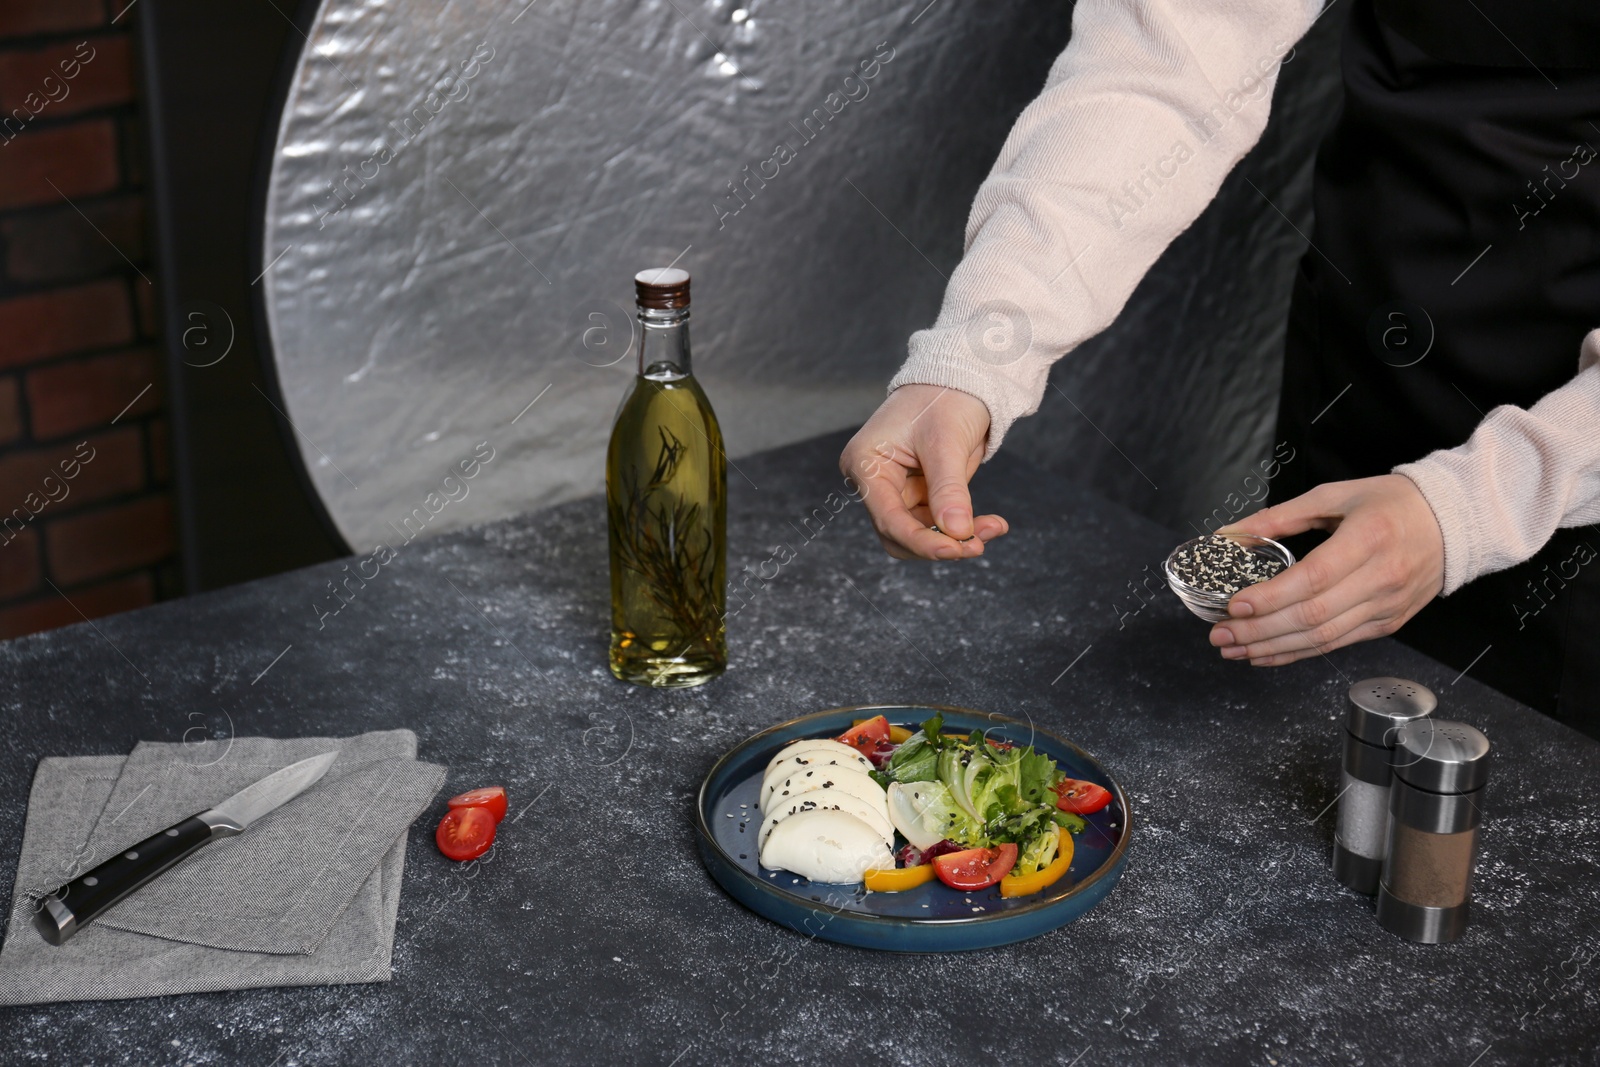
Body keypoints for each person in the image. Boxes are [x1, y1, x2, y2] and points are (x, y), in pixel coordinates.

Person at [840, 0, 1600, 736]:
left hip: (1580, 480)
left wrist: (1474, 508)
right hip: (1373, 346)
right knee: (1300, 765)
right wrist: (974, 351)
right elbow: (1173, 54)